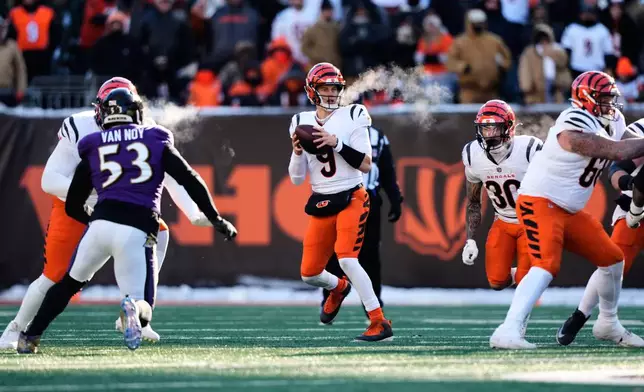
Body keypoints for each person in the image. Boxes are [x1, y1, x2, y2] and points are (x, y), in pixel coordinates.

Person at [17, 88, 237, 353]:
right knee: (143, 304)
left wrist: (94, 220)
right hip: (137, 228)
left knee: (67, 284)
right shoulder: (155, 137)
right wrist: (215, 217)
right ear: (137, 112)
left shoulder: (93, 143)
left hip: (99, 227)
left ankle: (30, 336)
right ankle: (133, 309)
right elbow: (189, 178)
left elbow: (75, 201)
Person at [490, 71, 644, 349]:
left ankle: (608, 323)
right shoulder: (573, 119)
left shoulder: (615, 120)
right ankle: (507, 329)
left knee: (612, 259)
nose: (611, 104)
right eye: (605, 98)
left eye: (612, 98)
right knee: (547, 264)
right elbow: (611, 150)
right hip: (539, 200)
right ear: (586, 98)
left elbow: (629, 148)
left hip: (568, 209)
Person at [288, 62, 393, 342]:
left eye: (335, 87)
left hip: (352, 195)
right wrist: (297, 153)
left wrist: (335, 143)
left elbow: (366, 165)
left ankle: (378, 321)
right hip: (322, 199)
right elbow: (297, 179)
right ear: (312, 90)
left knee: (347, 258)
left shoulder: (355, 114)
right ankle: (338, 288)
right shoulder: (300, 121)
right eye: (325, 87)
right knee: (309, 274)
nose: (332, 93)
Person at [556, 118, 644, 346]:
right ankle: (581, 314)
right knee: (614, 264)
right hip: (638, 209)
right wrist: (630, 186)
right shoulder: (640, 129)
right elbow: (618, 169)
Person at [461, 100, 542, 292]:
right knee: (496, 281)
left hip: (531, 221)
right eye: (484, 129)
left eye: (494, 129)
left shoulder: (530, 149)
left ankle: (530, 274)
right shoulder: (473, 155)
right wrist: (470, 240)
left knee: (526, 282)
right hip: (503, 221)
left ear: (508, 127)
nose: (488, 135)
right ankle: (527, 273)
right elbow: (473, 202)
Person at [322, 124, 403, 314]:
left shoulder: (376, 136)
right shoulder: (330, 131)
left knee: (369, 254)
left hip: (368, 198)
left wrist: (395, 198)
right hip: (338, 198)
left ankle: (373, 304)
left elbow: (386, 171)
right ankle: (329, 299)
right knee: (333, 253)